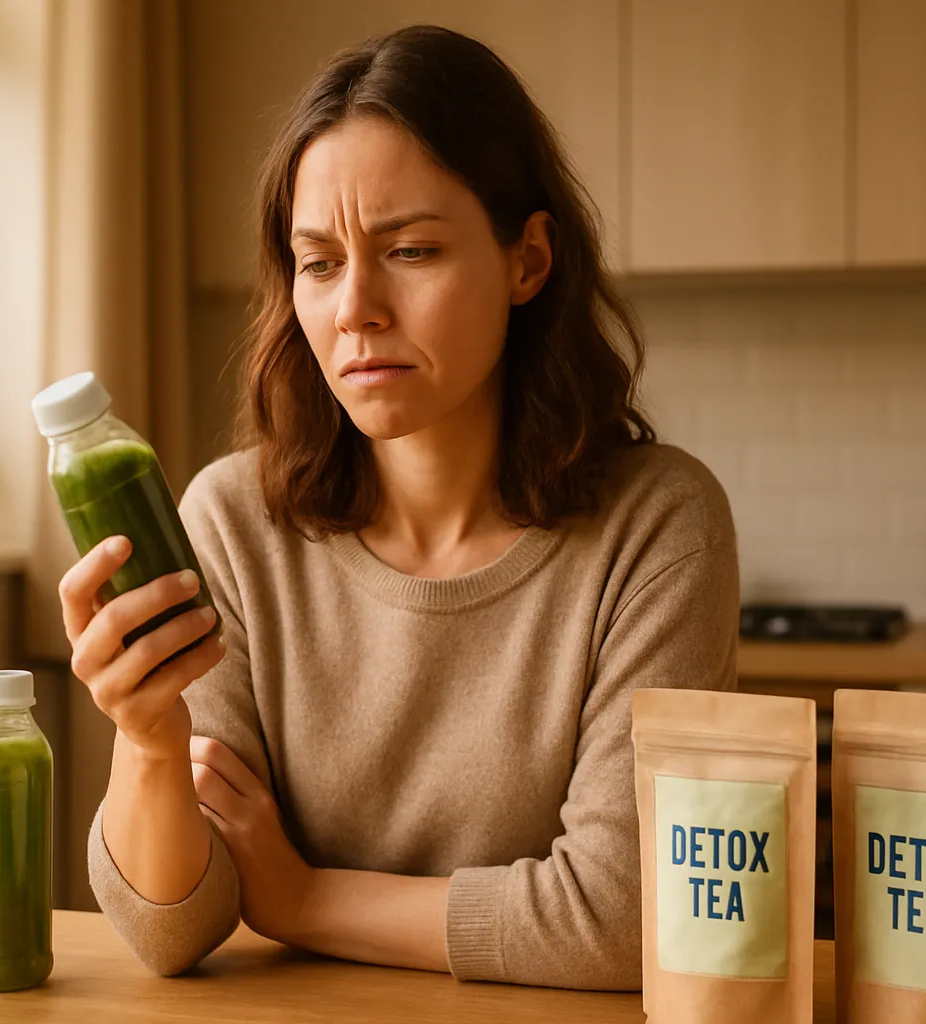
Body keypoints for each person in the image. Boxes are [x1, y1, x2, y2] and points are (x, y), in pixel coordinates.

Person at [59, 25, 737, 991]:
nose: (356, 310)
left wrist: (304, 900)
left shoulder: (659, 526)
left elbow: (626, 915)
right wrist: (148, 742)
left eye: (411, 250)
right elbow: (173, 931)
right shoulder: (233, 524)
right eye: (319, 263)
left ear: (528, 260)